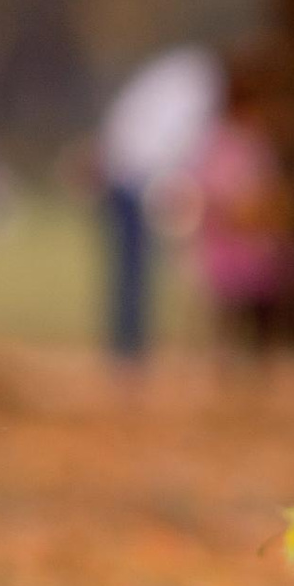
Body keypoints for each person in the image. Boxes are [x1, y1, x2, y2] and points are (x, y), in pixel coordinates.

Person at [91, 44, 219, 363]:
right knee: (135, 268)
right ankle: (129, 346)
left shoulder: (178, 77)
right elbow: (178, 141)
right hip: (138, 179)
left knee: (132, 268)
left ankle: (129, 344)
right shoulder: (200, 85)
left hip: (132, 175)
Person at [194, 45, 294, 348]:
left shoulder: (258, 144)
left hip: (258, 246)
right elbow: (217, 195)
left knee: (259, 316)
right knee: (234, 314)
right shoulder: (223, 143)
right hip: (232, 244)